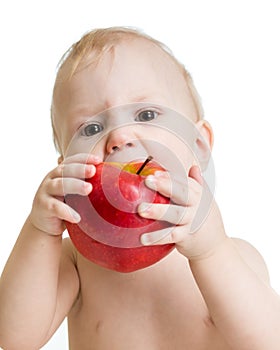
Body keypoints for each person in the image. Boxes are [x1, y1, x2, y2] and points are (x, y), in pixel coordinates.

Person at [0, 27, 279, 350]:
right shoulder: (76, 262)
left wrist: (211, 251)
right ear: (65, 166)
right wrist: (40, 231)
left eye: (146, 114)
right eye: (91, 128)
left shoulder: (233, 257)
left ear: (199, 146)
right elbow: (13, 338)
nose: (120, 138)